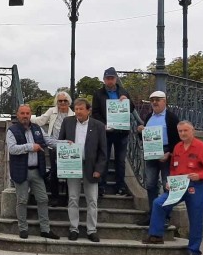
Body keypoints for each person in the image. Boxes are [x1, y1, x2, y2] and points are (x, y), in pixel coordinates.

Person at [141, 121, 203, 255]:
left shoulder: (201, 147)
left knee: (196, 218)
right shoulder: (177, 147)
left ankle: (193, 251)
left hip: (195, 186)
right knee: (159, 203)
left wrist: (200, 175)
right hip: (178, 186)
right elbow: (173, 168)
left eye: (185, 130)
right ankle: (156, 235)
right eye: (180, 131)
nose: (182, 133)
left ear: (192, 131)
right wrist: (170, 182)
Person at [6, 104, 60, 240]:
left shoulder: (37, 128)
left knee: (43, 199)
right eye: (22, 113)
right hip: (21, 171)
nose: (25, 116)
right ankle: (23, 229)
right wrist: (30, 147)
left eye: (27, 113)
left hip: (37, 171)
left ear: (31, 115)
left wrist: (65, 144)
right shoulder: (12, 130)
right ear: (18, 115)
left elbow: (49, 141)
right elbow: (12, 149)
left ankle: (45, 229)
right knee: (22, 201)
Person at [57, 98, 108, 242]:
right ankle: (74, 228)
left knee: (92, 200)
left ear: (88, 110)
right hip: (72, 165)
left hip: (90, 167)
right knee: (73, 198)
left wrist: (99, 169)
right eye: (76, 109)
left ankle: (91, 230)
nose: (78, 112)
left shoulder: (98, 126)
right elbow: (60, 142)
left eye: (81, 109)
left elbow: (103, 151)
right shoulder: (67, 122)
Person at [136, 90, 180, 219]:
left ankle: (165, 214)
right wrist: (140, 132)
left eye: (157, 100)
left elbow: (177, 139)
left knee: (167, 184)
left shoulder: (171, 117)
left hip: (166, 152)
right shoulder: (149, 117)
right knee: (150, 184)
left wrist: (169, 153)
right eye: (152, 100)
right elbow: (144, 138)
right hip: (151, 152)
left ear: (164, 101)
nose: (154, 102)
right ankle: (153, 213)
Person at [92, 67, 131, 196]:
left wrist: (127, 101)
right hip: (106, 132)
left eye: (112, 78)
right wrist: (103, 125)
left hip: (121, 132)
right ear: (104, 80)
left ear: (115, 79)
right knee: (104, 159)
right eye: (107, 78)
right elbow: (95, 113)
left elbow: (131, 109)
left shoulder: (124, 91)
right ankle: (101, 186)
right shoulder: (98, 94)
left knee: (120, 161)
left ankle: (120, 186)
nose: (110, 81)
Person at [32, 90, 75, 206]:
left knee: (68, 173)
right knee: (54, 172)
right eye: (60, 101)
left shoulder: (73, 115)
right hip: (53, 146)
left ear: (69, 102)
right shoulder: (52, 111)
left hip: (67, 147)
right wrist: (27, 118)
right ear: (57, 102)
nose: (62, 103)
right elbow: (40, 121)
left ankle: (68, 198)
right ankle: (55, 197)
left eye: (65, 101)